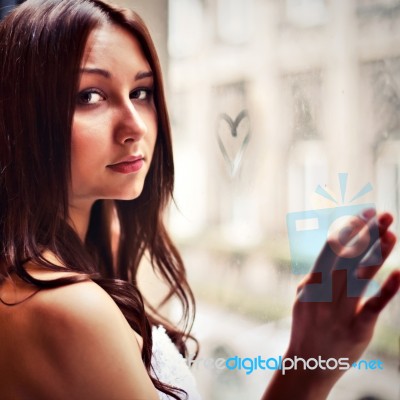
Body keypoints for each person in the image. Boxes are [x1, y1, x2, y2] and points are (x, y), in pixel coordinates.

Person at [0, 1, 398, 399]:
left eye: (141, 92)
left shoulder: (89, 253)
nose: (135, 125)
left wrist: (308, 360)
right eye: (90, 96)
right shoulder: (67, 308)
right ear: (21, 113)